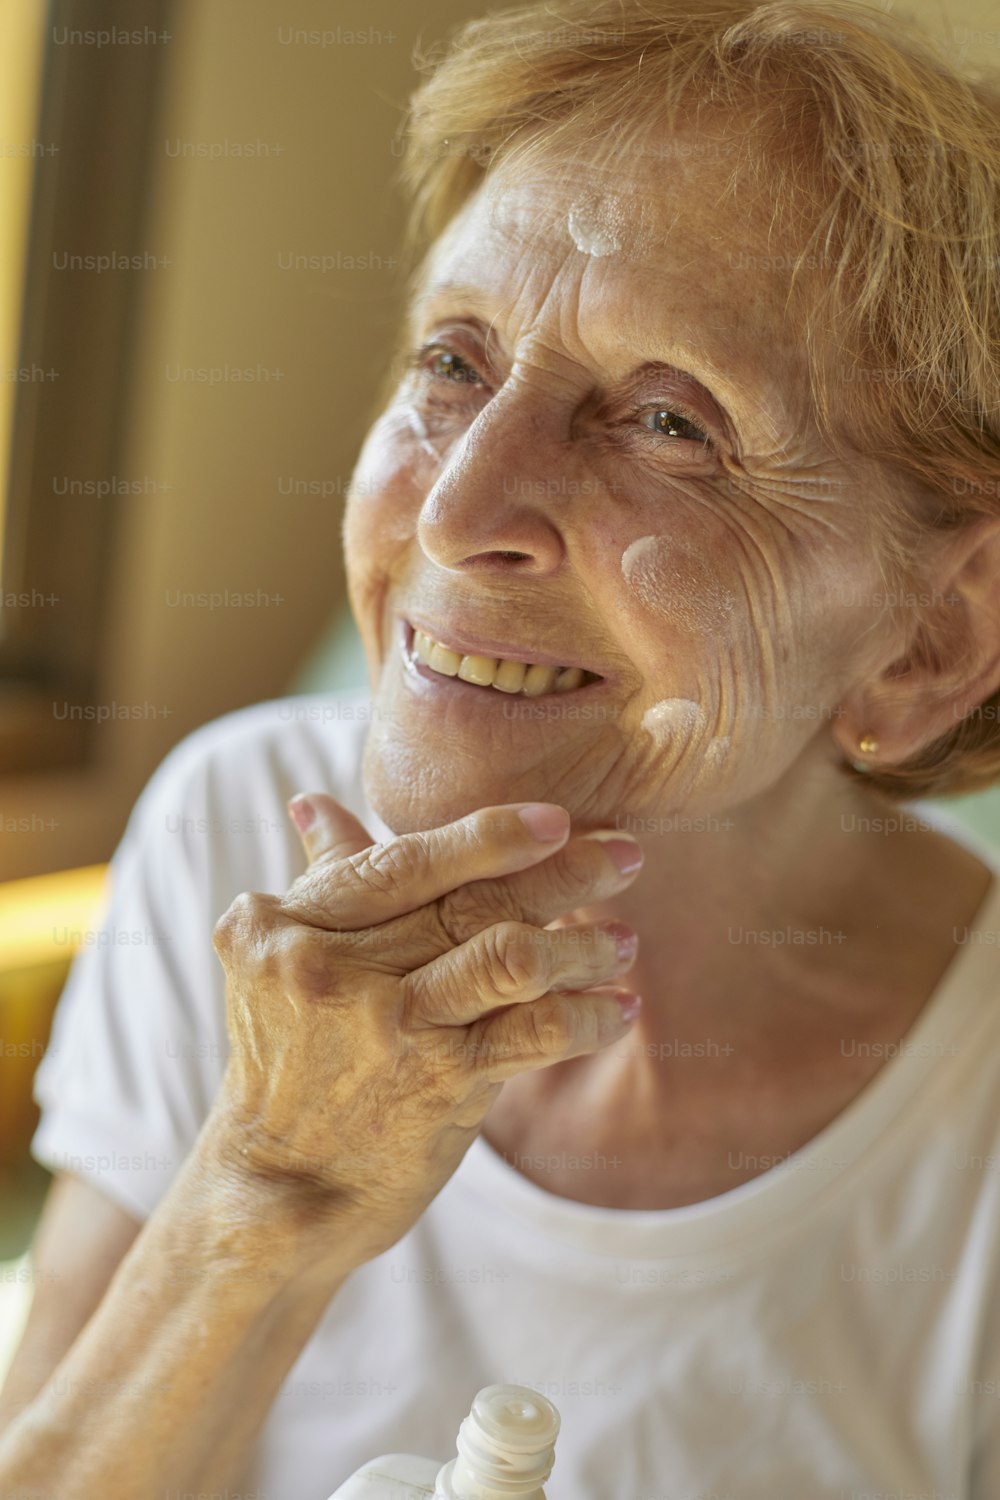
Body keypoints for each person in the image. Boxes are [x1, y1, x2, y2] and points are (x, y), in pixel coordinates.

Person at [3, 1, 1000, 1495]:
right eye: (453, 364)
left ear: (926, 640)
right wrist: (269, 1188)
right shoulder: (239, 828)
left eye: (668, 421)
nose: (459, 513)